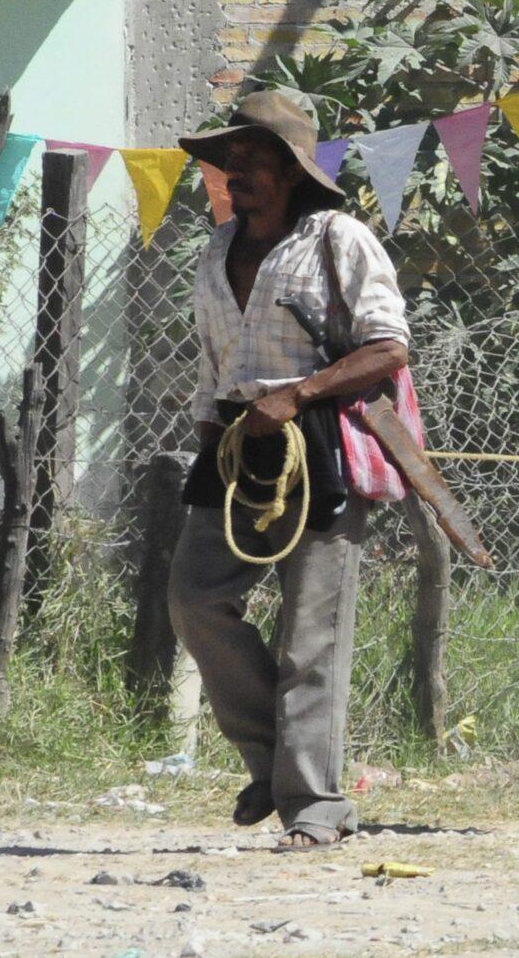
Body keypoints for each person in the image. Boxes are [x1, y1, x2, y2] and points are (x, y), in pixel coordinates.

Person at [168, 90, 410, 850]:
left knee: (312, 632)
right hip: (241, 445)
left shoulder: (339, 239)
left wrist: (298, 393)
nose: (234, 173)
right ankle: (271, 758)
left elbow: (389, 345)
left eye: (251, 159)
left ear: (292, 170)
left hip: (321, 442)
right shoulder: (216, 249)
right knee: (194, 599)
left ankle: (314, 809)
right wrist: (214, 432)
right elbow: (215, 363)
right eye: (230, 159)